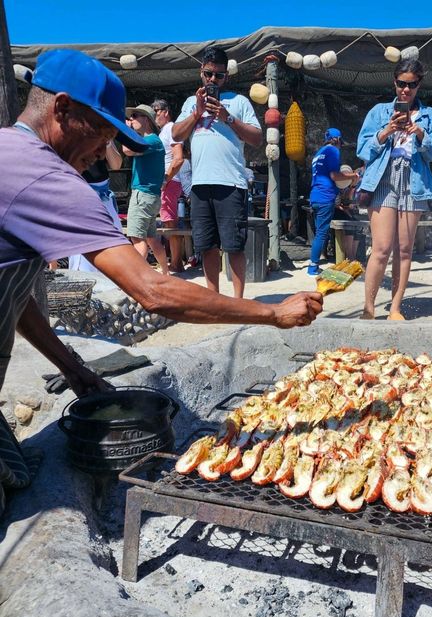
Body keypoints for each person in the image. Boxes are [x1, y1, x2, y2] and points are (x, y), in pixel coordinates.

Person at [0, 49, 323, 517]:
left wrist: (70, 367)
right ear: (64, 110)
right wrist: (273, 314)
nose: (106, 150)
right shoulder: (47, 179)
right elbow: (153, 291)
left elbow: (14, 297)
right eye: (105, 132)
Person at [357, 60, 432, 320]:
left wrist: (419, 133)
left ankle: (395, 308)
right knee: (382, 248)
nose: (406, 90)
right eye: (401, 84)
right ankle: (369, 307)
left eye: (412, 84)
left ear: (419, 85)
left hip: (413, 181)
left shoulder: (429, 116)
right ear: (394, 82)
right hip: (384, 179)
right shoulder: (378, 111)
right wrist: (386, 132)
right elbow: (362, 150)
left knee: (405, 250)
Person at [172, 46, 262, 298]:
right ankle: (214, 297)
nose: (213, 80)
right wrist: (197, 113)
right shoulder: (192, 103)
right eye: (209, 74)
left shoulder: (239, 102)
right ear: (201, 72)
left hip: (231, 183)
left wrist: (227, 117)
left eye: (219, 76)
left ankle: (238, 300)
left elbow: (256, 138)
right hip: (200, 185)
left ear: (226, 76)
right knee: (207, 245)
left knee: (234, 245)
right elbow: (176, 135)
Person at [121, 104, 168, 275]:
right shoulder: (152, 141)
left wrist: (125, 130)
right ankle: (166, 274)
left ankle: (136, 279)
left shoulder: (150, 141)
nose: (131, 120)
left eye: (135, 116)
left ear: (146, 120)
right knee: (151, 239)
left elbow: (127, 149)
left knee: (137, 239)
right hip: (150, 197)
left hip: (142, 196)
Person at [307, 128, 359, 276]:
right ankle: (313, 267)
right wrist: (352, 175)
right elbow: (335, 176)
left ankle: (314, 262)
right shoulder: (333, 151)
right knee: (321, 234)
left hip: (315, 196)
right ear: (337, 140)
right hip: (325, 196)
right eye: (341, 142)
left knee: (319, 233)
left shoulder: (318, 154)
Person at [68, 139, 124, 272]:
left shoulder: (101, 136)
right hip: (82, 199)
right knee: (83, 251)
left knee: (115, 244)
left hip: (104, 198)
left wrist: (108, 142)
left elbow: (116, 165)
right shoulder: (68, 138)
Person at [152, 99, 185, 273]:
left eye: (157, 111)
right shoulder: (166, 130)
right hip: (170, 180)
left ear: (166, 112)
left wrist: (165, 180)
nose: (155, 115)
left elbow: (178, 157)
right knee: (170, 222)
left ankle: (177, 263)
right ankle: (175, 261)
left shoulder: (171, 129)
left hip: (170, 181)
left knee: (170, 223)